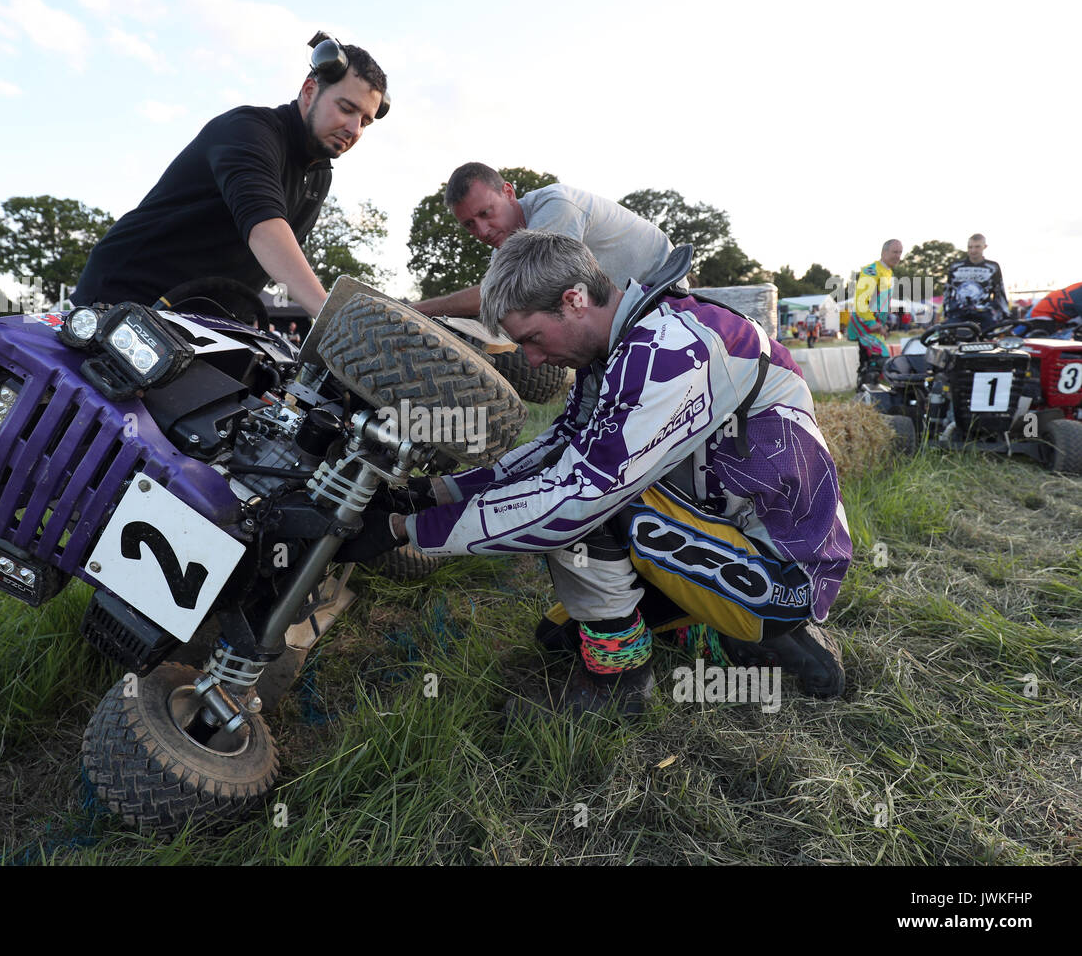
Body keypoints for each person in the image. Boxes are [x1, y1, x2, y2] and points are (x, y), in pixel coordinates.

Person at [341, 231, 851, 714]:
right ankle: (725, 631)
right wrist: (430, 494)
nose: (535, 358)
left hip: (784, 571)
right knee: (559, 637)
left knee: (581, 506)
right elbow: (556, 445)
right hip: (728, 531)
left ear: (574, 299)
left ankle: (623, 687)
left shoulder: (673, 349)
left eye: (534, 338)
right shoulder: (629, 339)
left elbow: (575, 493)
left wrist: (403, 531)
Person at [70, 35, 388, 316]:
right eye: (347, 109)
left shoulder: (319, 177)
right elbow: (265, 229)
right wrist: (330, 318)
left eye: (365, 121)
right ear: (309, 91)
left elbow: (282, 263)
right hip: (124, 298)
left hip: (200, 322)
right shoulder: (248, 131)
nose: (354, 129)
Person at [411, 163, 676, 318]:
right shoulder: (505, 252)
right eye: (469, 224)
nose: (481, 230)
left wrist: (415, 311)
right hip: (618, 306)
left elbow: (503, 294)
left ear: (508, 192)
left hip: (663, 287)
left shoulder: (557, 206)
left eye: (485, 213)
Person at [850, 240, 901, 383]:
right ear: (884, 253)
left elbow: (882, 303)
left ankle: (867, 395)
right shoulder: (871, 271)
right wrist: (871, 322)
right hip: (864, 324)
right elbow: (861, 301)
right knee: (879, 359)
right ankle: (865, 393)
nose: (898, 256)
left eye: (900, 252)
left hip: (874, 326)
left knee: (870, 362)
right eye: (894, 252)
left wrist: (883, 324)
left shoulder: (888, 272)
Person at [943, 234, 1009, 333]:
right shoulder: (956, 266)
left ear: (984, 247)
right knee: (947, 338)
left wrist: (1005, 315)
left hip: (984, 313)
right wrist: (946, 312)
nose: (973, 250)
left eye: (977, 247)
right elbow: (947, 291)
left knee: (989, 341)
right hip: (958, 313)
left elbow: (999, 292)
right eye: (970, 247)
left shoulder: (992, 267)